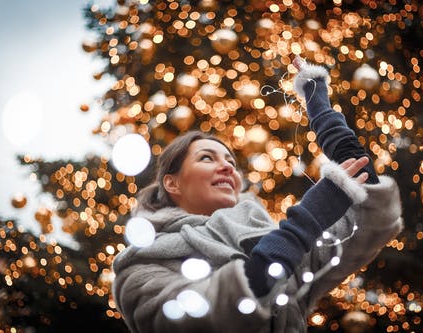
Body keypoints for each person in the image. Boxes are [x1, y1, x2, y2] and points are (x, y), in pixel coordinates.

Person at [112, 58, 403, 333]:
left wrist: (321, 112)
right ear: (172, 184)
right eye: (206, 158)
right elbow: (207, 317)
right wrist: (305, 223)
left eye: (229, 161)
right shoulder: (140, 265)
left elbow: (368, 209)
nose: (226, 166)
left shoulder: (273, 240)